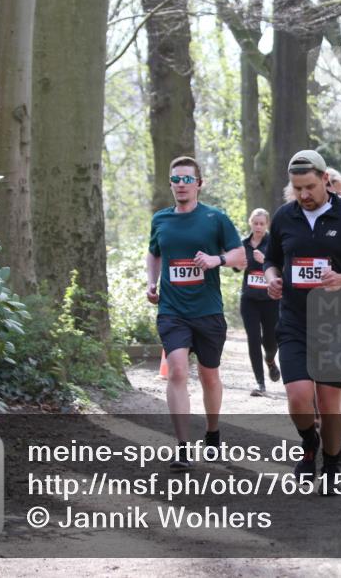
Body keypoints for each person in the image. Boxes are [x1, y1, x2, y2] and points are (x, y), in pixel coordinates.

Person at [263, 150, 341, 492]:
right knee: (299, 398)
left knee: (329, 405)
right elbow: (271, 259)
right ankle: (308, 443)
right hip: (295, 319)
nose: (304, 195)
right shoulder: (284, 217)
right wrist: (272, 277)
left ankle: (330, 462)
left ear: (326, 179)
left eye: (310, 187)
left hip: (336, 318)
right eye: (297, 188)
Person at [146, 156, 246, 470]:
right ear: (171, 184)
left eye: (187, 179)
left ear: (199, 184)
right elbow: (154, 253)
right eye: (176, 179)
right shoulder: (161, 220)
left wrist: (217, 260)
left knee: (209, 376)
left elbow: (240, 256)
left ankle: (213, 433)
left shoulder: (216, 218)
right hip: (172, 310)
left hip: (208, 311)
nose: (181, 185)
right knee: (176, 371)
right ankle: (182, 446)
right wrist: (151, 282)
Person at [239, 208, 280, 396]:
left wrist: (265, 260)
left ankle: (270, 360)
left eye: (262, 223)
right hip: (249, 300)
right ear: (250, 223)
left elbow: (282, 267)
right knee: (253, 339)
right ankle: (260, 383)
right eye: (255, 223)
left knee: (270, 341)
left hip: (270, 299)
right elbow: (237, 268)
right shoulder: (244, 244)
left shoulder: (273, 243)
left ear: (267, 225)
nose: (258, 227)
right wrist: (239, 265)